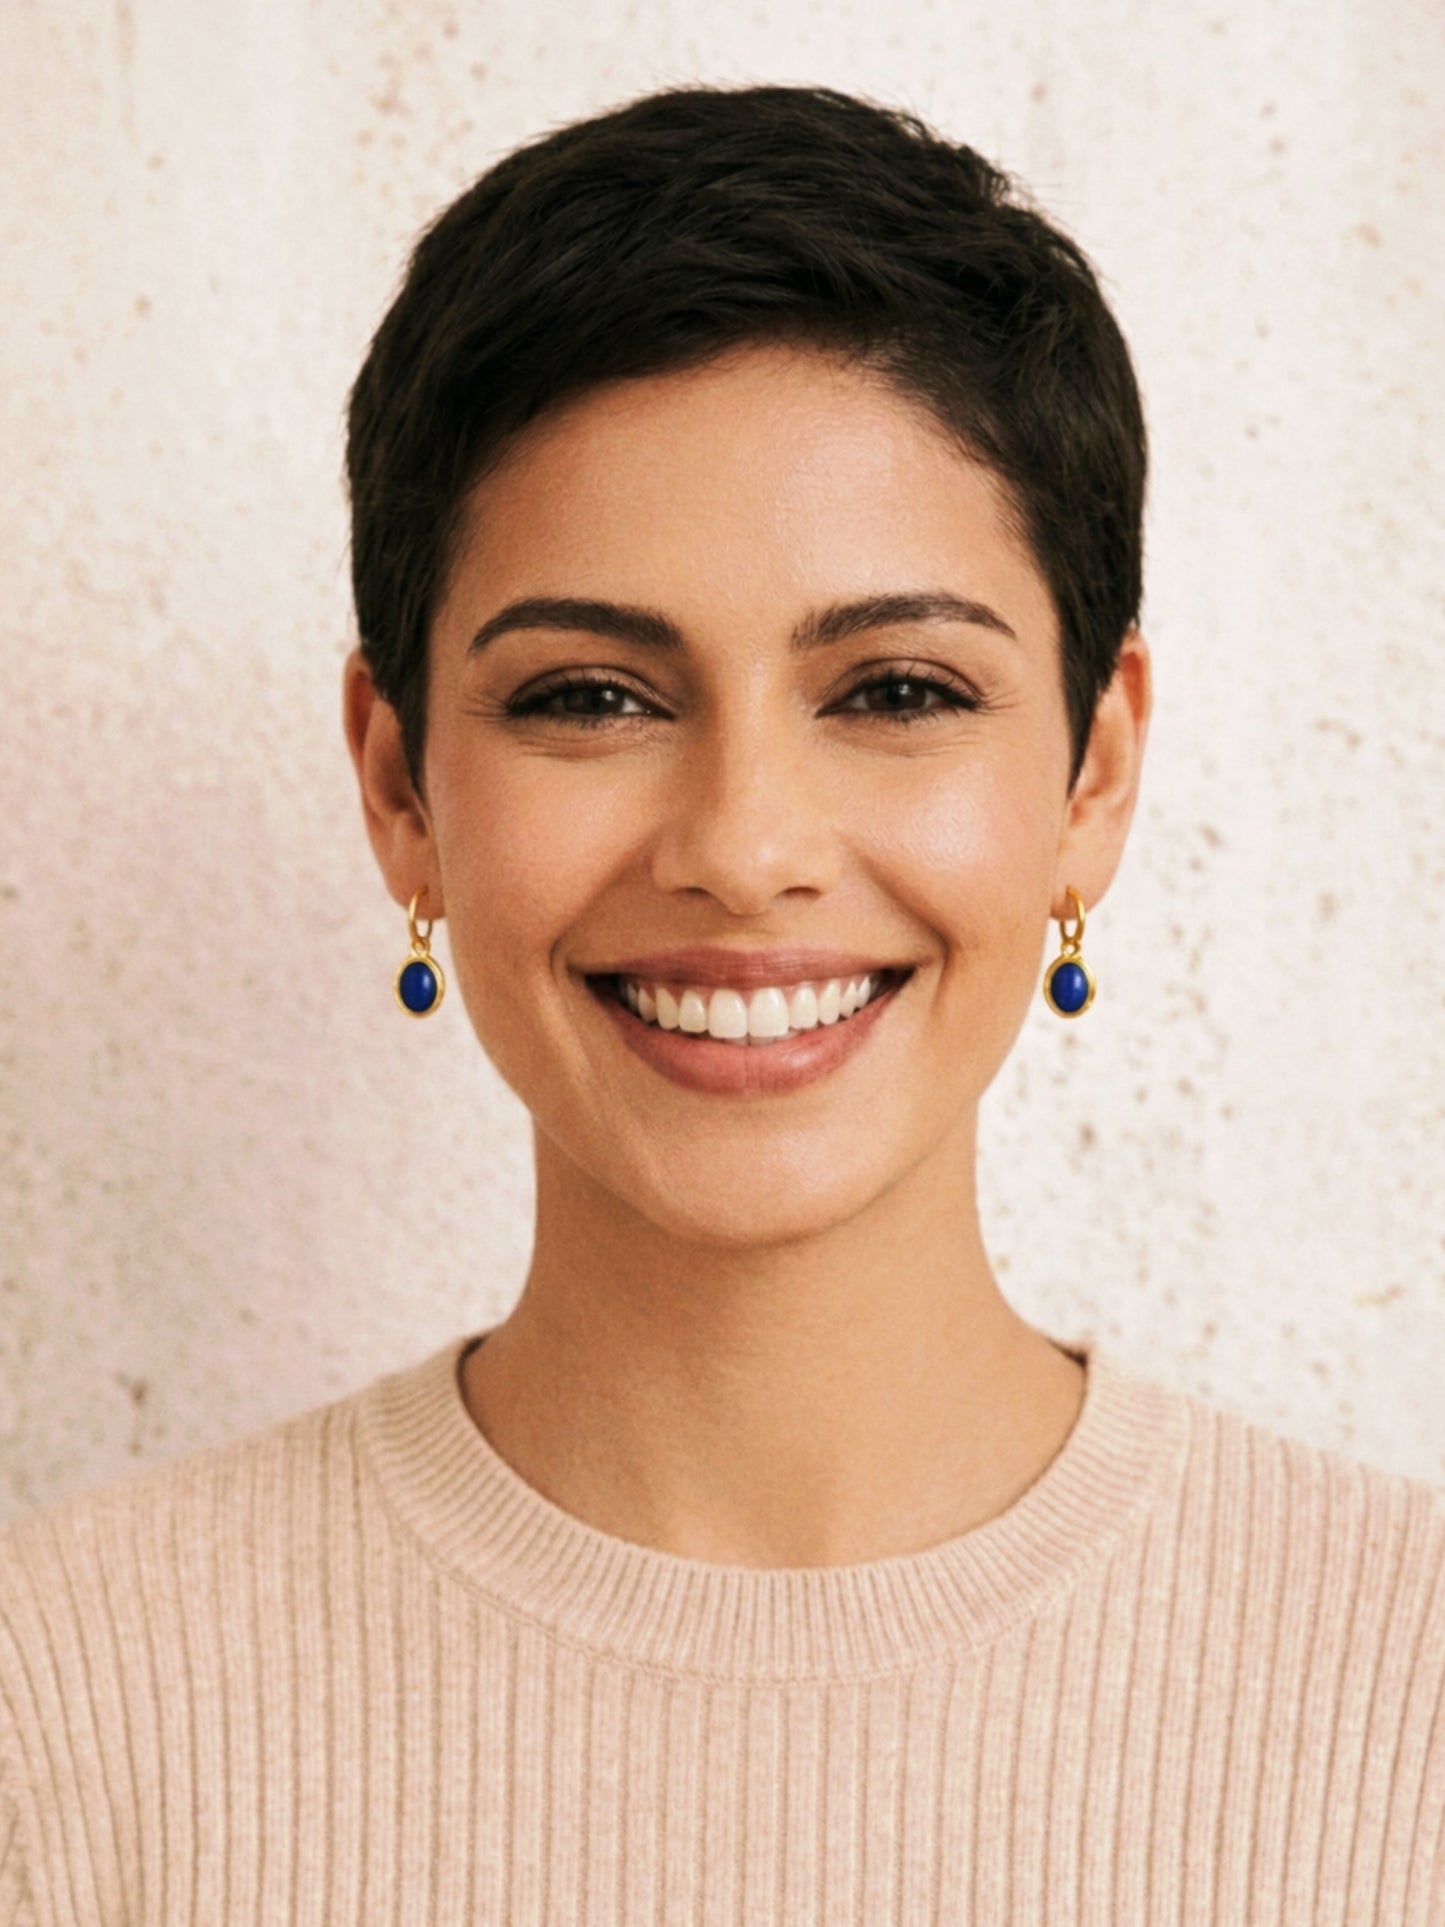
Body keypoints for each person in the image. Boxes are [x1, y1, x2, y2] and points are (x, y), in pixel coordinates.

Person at [2, 82, 1442, 1927]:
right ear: (397, 783)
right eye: (592, 696)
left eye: (898, 690)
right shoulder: (64, 1716)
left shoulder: (1403, 1694)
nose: (744, 848)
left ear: (1092, 772)